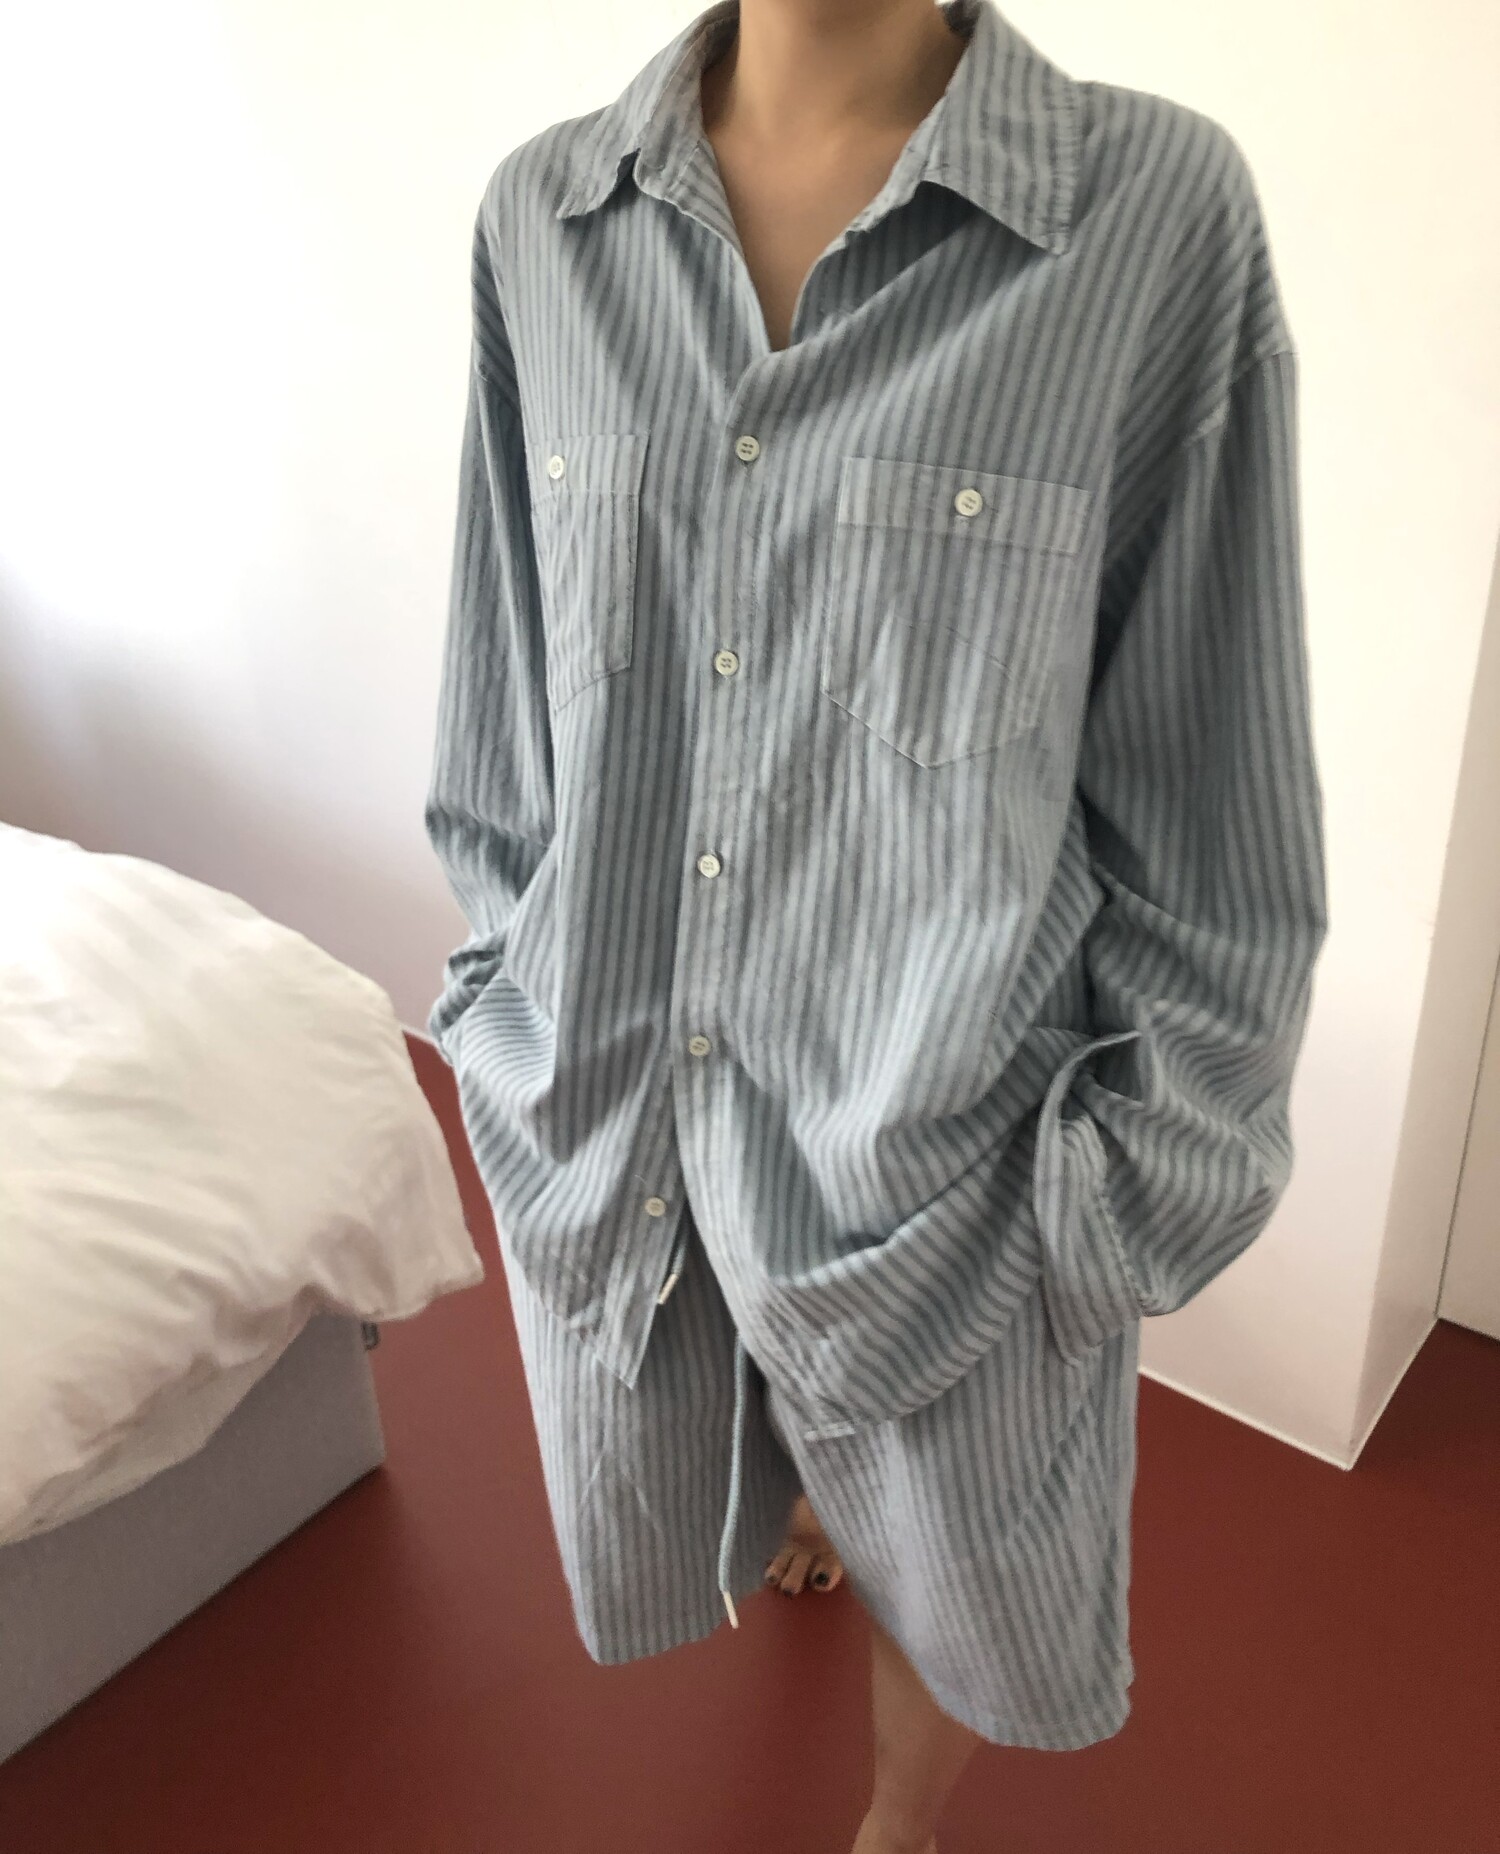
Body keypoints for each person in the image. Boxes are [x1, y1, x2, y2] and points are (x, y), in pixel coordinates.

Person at [423, 1, 1328, 1849]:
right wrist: (509, 1019)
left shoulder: (1152, 216)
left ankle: (900, 1819)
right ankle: (796, 1491)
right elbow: (504, 717)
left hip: (946, 1174)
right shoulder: (543, 222)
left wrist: (1115, 1200)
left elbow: (1214, 788)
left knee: (955, 1578)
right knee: (743, 1431)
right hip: (627, 1118)